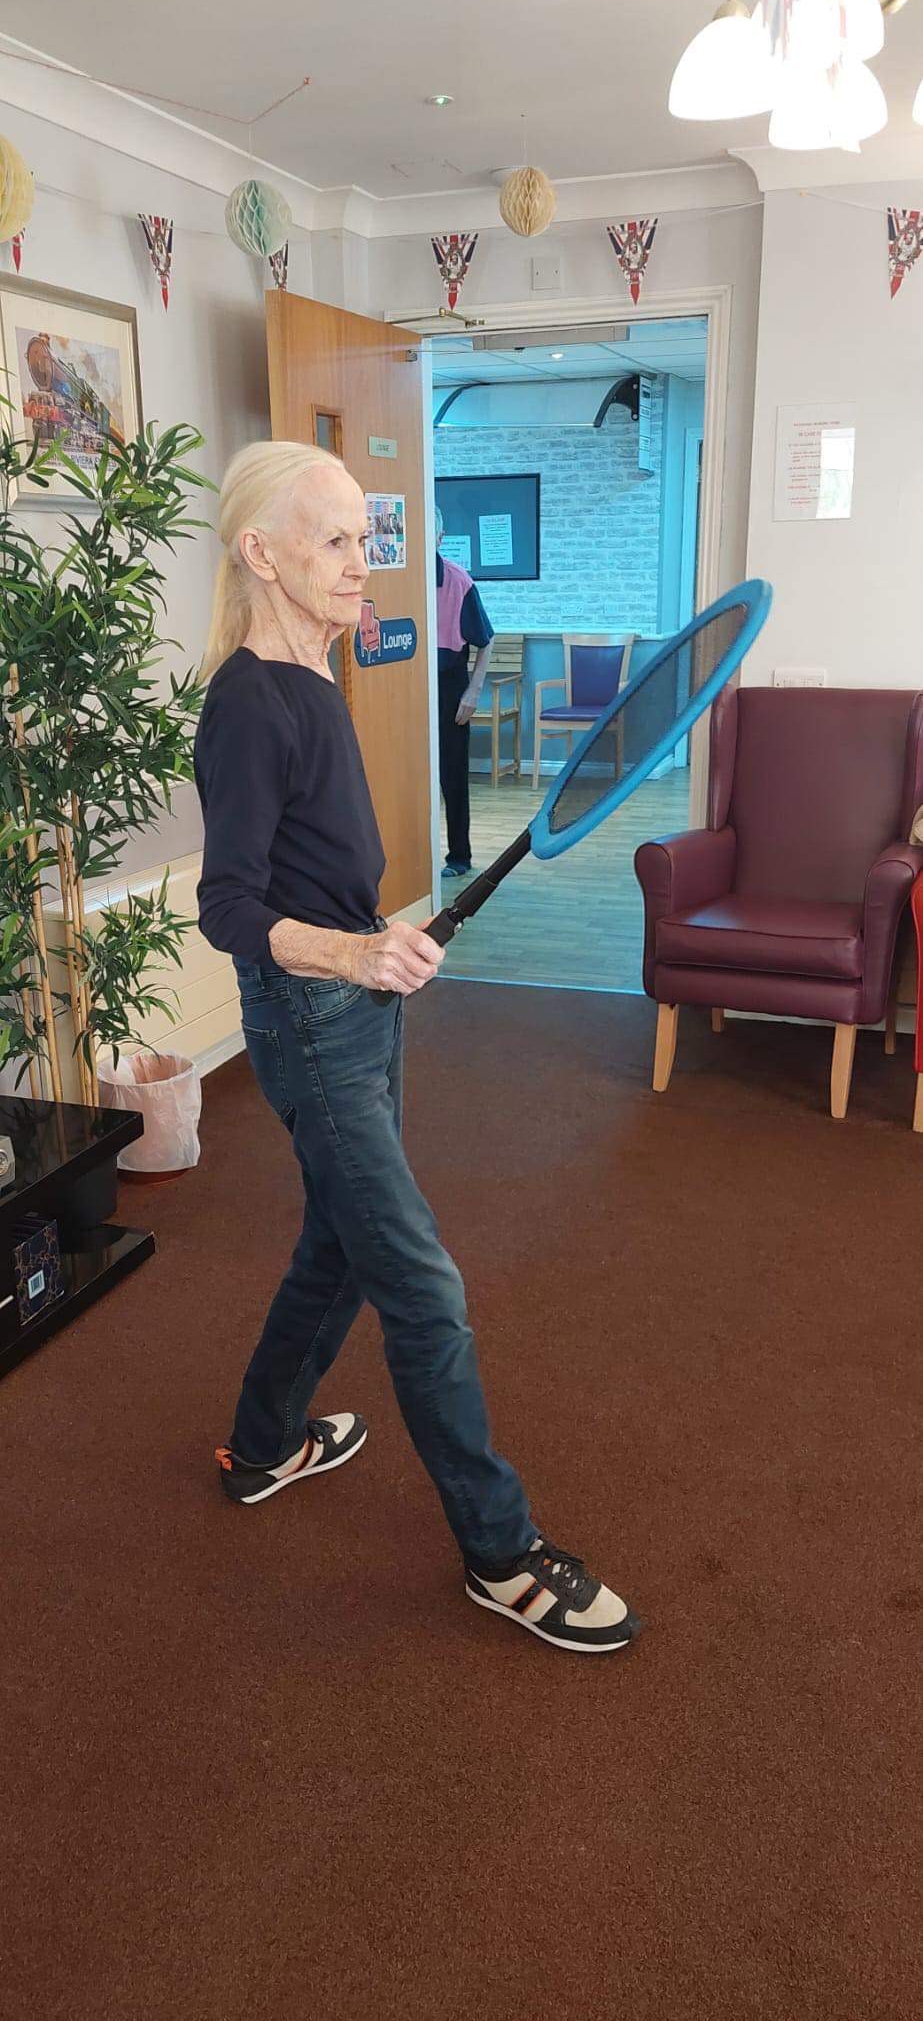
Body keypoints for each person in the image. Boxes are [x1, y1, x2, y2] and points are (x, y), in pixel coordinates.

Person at [194, 440, 635, 1656]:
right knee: (421, 1286)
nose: (362, 563)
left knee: (338, 1243)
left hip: (353, 1009)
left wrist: (374, 939)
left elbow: (317, 864)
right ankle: (500, 1553)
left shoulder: (315, 673)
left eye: (365, 539)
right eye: (334, 540)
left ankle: (265, 1440)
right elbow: (226, 906)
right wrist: (351, 955)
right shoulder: (247, 704)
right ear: (261, 553)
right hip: (311, 1024)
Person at [435, 507, 493, 880]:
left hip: (450, 682)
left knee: (452, 774)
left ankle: (459, 855)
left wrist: (473, 691)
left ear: (440, 539)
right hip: (408, 682)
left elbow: (485, 640)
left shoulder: (458, 581)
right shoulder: (395, 578)